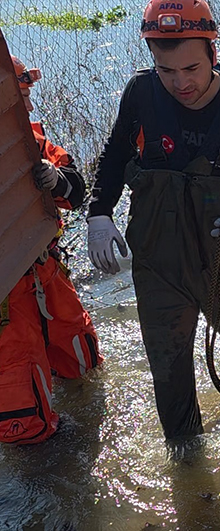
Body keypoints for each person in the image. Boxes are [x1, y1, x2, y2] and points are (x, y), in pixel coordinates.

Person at [87, 0, 220, 440]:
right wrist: (99, 213)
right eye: (166, 70)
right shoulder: (140, 95)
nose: (180, 82)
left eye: (191, 68)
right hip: (159, 262)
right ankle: (185, 458)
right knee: (167, 368)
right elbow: (115, 156)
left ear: (213, 53)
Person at [0, 55, 101, 444]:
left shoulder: (30, 142)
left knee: (83, 362)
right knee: (24, 417)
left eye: (27, 96)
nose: (28, 106)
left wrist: (56, 179)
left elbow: (76, 189)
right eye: (21, 96)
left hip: (47, 273)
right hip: (7, 302)